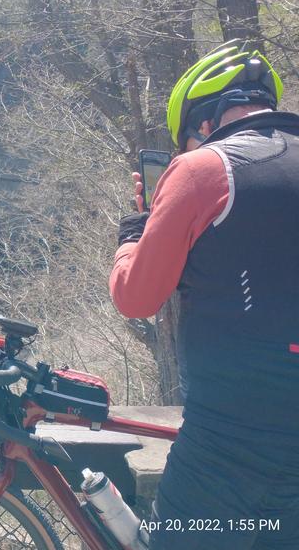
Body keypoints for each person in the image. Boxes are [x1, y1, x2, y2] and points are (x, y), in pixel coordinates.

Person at [109, 39, 299, 549]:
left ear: (206, 123)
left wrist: (134, 232)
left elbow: (136, 297)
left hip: (227, 448)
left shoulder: (202, 170)